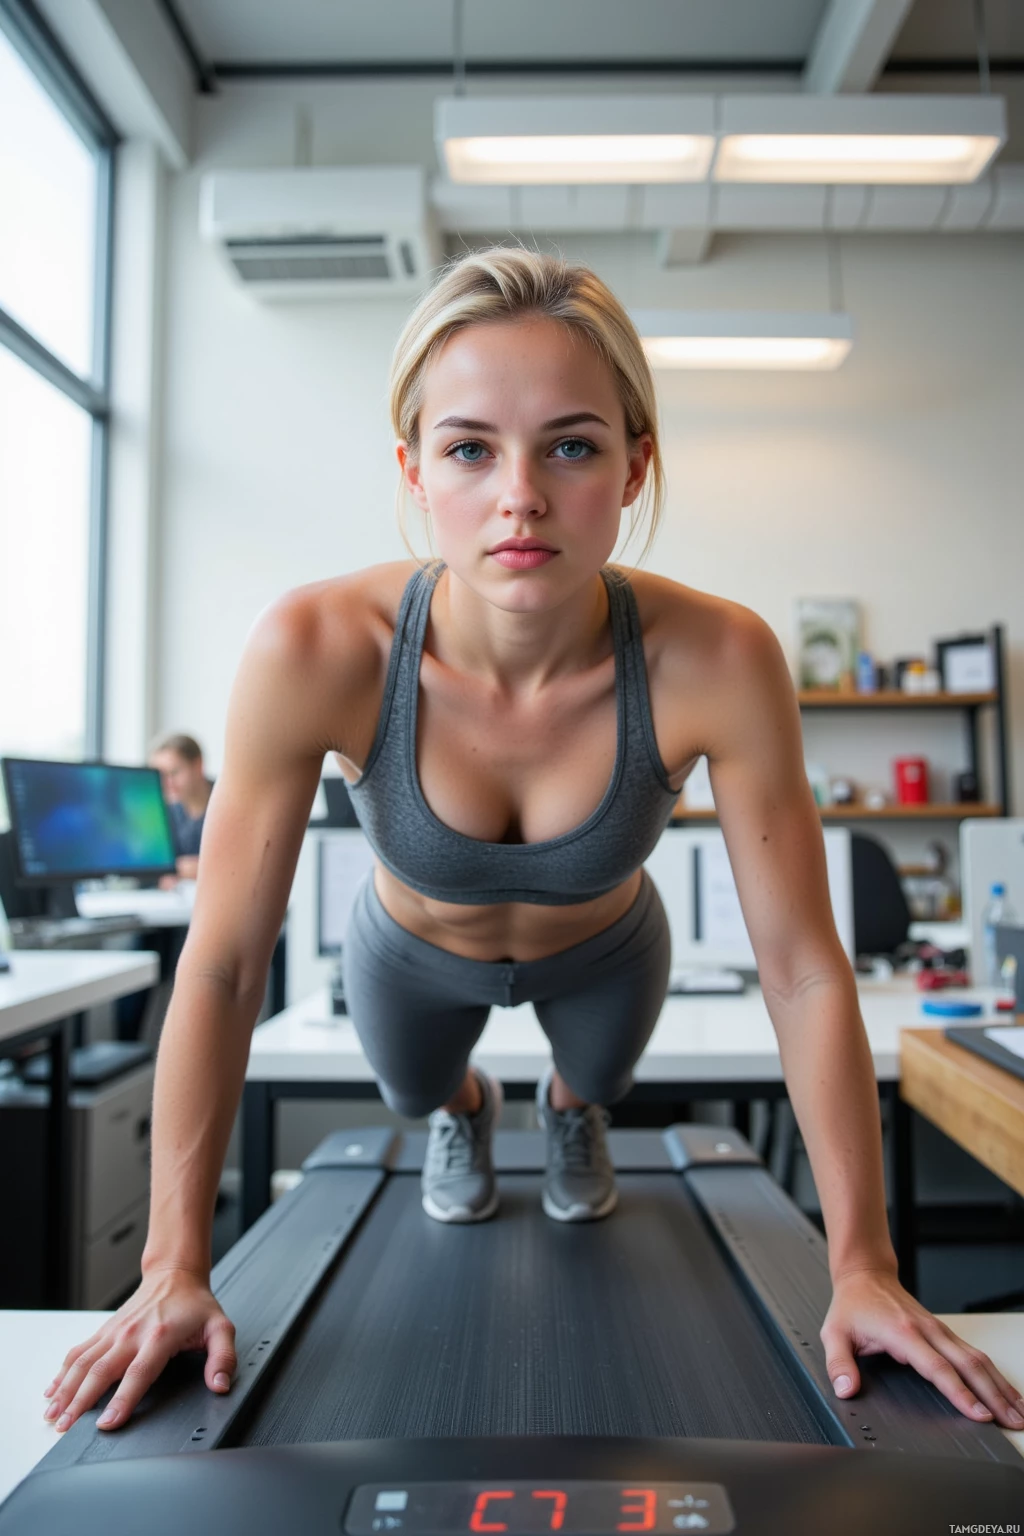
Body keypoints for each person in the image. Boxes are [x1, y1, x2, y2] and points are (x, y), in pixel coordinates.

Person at [44, 248, 1023, 1438]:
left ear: (632, 466)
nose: (520, 496)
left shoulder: (720, 656)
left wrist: (862, 1263)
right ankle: (469, 1105)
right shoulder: (315, 648)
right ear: (413, 467)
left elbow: (806, 966)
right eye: (469, 449)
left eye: (570, 445)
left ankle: (565, 1099)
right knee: (414, 1092)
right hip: (409, 955)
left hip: (605, 949)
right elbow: (224, 964)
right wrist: (170, 1265)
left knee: (602, 1084)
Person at [149, 732, 213, 883]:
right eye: (161, 775)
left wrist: (201, 868)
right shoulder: (167, 811)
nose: (167, 782)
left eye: (174, 772)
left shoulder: (227, 804)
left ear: (198, 766)